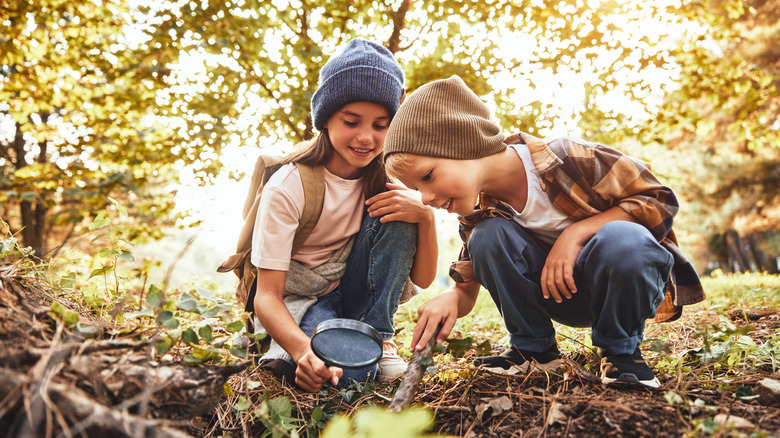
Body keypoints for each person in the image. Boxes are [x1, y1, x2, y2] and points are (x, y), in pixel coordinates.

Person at [382, 75, 705, 388]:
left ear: (463, 144)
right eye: (414, 188)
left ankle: (621, 354)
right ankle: (534, 350)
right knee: (488, 235)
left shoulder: (569, 158)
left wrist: (575, 234)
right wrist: (451, 298)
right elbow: (468, 286)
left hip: (620, 285)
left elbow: (658, 200)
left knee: (625, 238)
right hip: (559, 297)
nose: (424, 198)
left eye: (427, 176)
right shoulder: (478, 213)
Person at [250, 39, 437, 393]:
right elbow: (267, 296)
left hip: (354, 290)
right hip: (302, 299)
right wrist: (303, 351)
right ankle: (306, 344)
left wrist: (424, 216)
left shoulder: (386, 181)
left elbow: (424, 279)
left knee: (399, 210)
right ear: (326, 119)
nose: (366, 137)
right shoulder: (288, 187)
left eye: (381, 126)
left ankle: (378, 338)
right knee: (339, 377)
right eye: (352, 121)